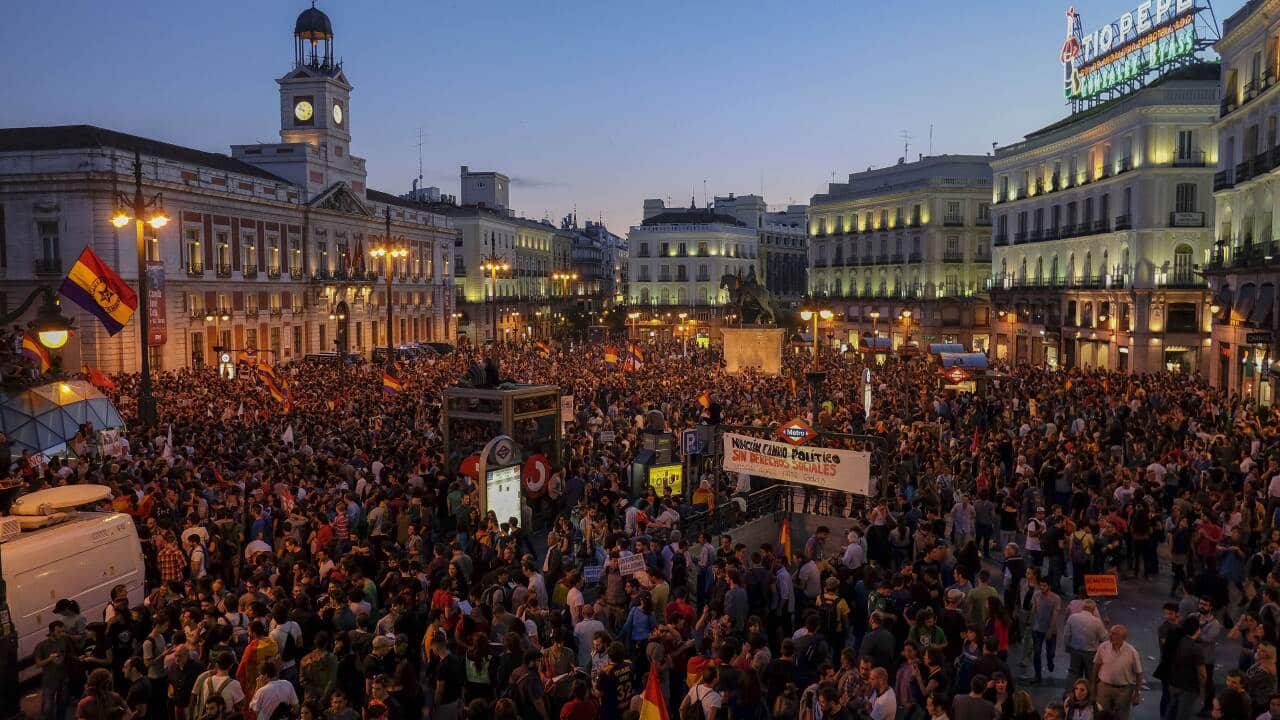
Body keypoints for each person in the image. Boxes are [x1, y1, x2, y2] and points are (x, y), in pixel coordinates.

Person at [1093, 625, 1141, 720]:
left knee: (1121, 717)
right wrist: (1093, 685)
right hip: (1104, 688)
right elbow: (1096, 666)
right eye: (1111, 633)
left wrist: (1137, 694)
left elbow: (1139, 674)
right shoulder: (1103, 647)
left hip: (1124, 691)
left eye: (1115, 634)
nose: (1111, 636)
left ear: (1123, 637)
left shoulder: (1132, 652)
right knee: (1101, 715)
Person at [36, 620, 70, 720]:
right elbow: (38, 664)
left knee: (62, 703)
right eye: (59, 632)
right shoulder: (42, 646)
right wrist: (49, 659)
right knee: (48, 707)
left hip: (63, 678)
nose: (62, 634)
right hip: (49, 680)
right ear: (51, 632)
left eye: (63, 631)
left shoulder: (64, 641)